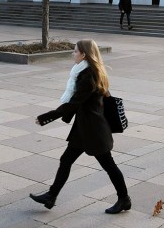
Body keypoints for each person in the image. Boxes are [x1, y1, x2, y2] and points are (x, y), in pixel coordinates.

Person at [30, 39, 131, 215]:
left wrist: (47, 117)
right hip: (84, 128)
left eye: (75, 51)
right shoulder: (86, 72)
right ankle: (51, 196)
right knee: (66, 160)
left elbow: (73, 104)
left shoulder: (88, 76)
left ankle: (124, 199)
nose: (72, 54)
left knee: (109, 165)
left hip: (93, 131)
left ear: (84, 54)